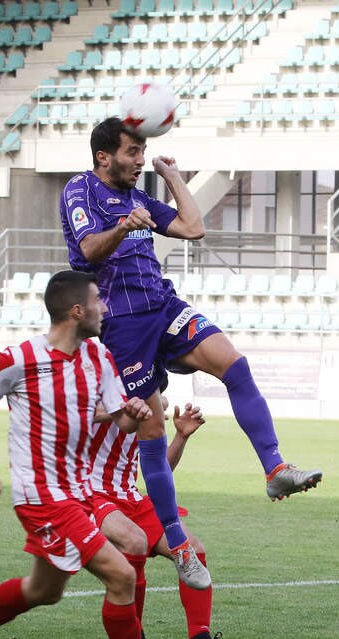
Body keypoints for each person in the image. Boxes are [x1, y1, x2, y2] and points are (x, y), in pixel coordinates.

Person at [60, 117, 322, 583]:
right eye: (133, 153)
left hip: (162, 306)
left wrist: (172, 175)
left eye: (143, 152)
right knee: (151, 428)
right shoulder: (79, 191)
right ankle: (178, 544)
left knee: (235, 366)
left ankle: (275, 467)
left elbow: (193, 227)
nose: (139, 161)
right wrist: (122, 228)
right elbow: (89, 249)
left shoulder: (141, 195)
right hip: (122, 322)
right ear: (104, 156)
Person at [0, 270, 179, 639]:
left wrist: (131, 412)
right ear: (76, 310)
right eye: (98, 301)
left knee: (42, 591)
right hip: (42, 496)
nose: (105, 308)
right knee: (120, 574)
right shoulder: (19, 359)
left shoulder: (98, 360)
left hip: (78, 493)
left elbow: (116, 418)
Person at [91, 391, 246, 639]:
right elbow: (85, 411)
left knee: (192, 548)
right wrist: (134, 406)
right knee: (134, 541)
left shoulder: (148, 406)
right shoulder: (96, 388)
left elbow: (158, 471)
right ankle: (133, 636)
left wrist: (181, 436)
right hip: (90, 494)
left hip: (130, 497)